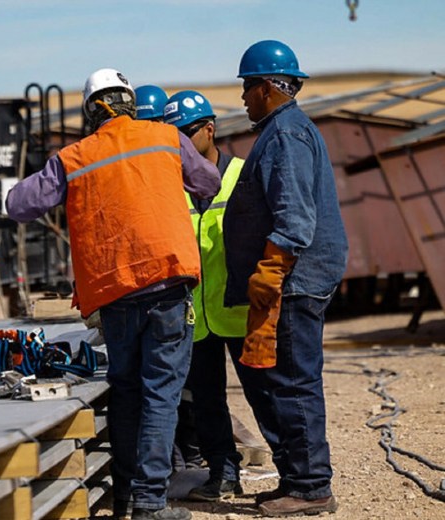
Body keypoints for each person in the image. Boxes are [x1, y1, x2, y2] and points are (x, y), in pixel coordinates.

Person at [6, 68, 220, 520]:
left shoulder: (73, 157)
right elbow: (208, 183)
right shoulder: (165, 138)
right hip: (166, 284)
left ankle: (125, 495)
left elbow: (19, 205)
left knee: (126, 390)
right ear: (129, 102)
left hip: (115, 293)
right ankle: (149, 503)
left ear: (91, 112)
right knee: (160, 393)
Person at [223, 40, 348, 517]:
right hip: (295, 279)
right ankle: (298, 480)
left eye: (247, 87)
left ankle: (311, 488)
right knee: (285, 381)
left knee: (294, 383)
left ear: (267, 88)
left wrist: (271, 268)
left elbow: (294, 216)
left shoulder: (285, 136)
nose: (243, 98)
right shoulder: (285, 130)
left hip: (294, 281)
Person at [164, 90, 268, 502]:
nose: (180, 144)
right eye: (172, 136)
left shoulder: (243, 174)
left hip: (241, 311)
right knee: (207, 403)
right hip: (196, 317)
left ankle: (297, 478)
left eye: (187, 133)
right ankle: (224, 474)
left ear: (210, 129)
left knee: (265, 397)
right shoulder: (172, 186)